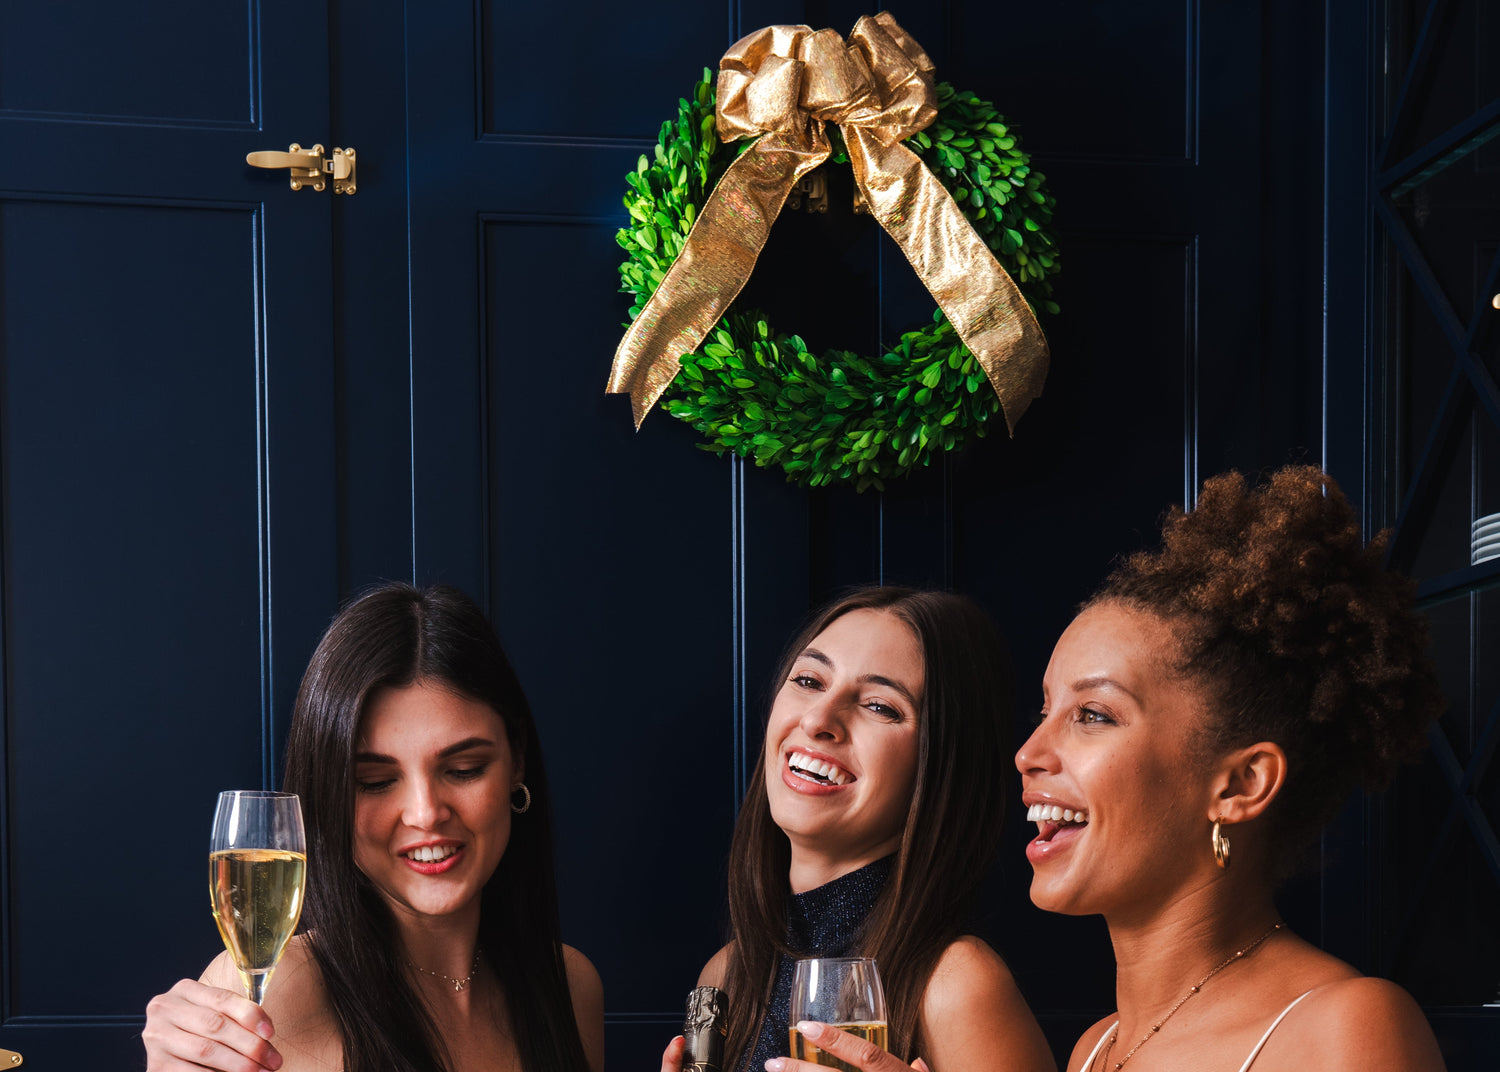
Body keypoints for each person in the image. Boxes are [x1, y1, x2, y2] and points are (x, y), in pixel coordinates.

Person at [1017, 466, 1448, 1071]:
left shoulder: (1344, 1027)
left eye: (1092, 714)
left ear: (1241, 785)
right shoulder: (1097, 1048)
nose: (1028, 753)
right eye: (1045, 710)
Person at [143, 583, 603, 1072]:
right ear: (329, 795)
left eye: (464, 769)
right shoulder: (273, 996)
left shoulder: (571, 986)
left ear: (517, 763)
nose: (425, 813)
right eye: (376, 781)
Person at [662, 587, 1056, 1072]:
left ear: (940, 767)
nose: (818, 719)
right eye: (808, 680)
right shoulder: (725, 974)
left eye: (879, 706)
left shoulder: (958, 985)